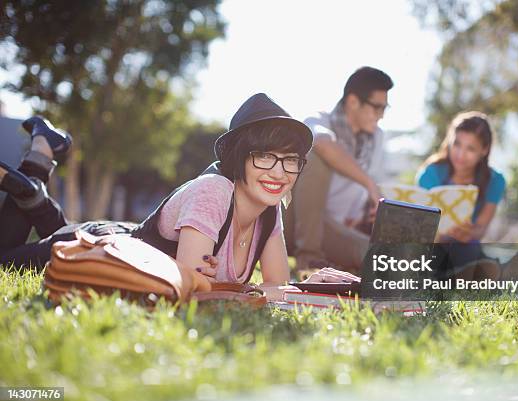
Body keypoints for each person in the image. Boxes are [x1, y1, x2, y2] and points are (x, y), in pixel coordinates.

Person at [0, 93, 353, 300]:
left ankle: (37, 164)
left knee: (45, 226)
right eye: (265, 156)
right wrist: (232, 287)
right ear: (239, 156)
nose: (279, 172)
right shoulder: (213, 191)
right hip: (104, 246)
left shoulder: (269, 208)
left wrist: (310, 286)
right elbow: (191, 292)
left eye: (291, 160)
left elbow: (274, 287)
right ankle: (35, 170)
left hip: (120, 242)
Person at [285, 66, 393, 273]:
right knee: (315, 155)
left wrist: (368, 212)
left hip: (334, 229)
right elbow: (323, 144)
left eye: (384, 108)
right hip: (293, 223)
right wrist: (368, 183)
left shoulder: (376, 138)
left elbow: (369, 192)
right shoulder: (318, 120)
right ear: (353, 101)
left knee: (378, 257)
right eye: (377, 107)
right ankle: (309, 260)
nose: (381, 116)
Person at [416, 111, 518, 281]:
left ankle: (470, 275)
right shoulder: (431, 173)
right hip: (432, 249)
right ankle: (477, 276)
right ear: (449, 140)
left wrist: (470, 232)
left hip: (466, 249)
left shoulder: (495, 180)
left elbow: (481, 229)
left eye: (470, 148)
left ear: (484, 150)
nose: (460, 155)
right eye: (457, 144)